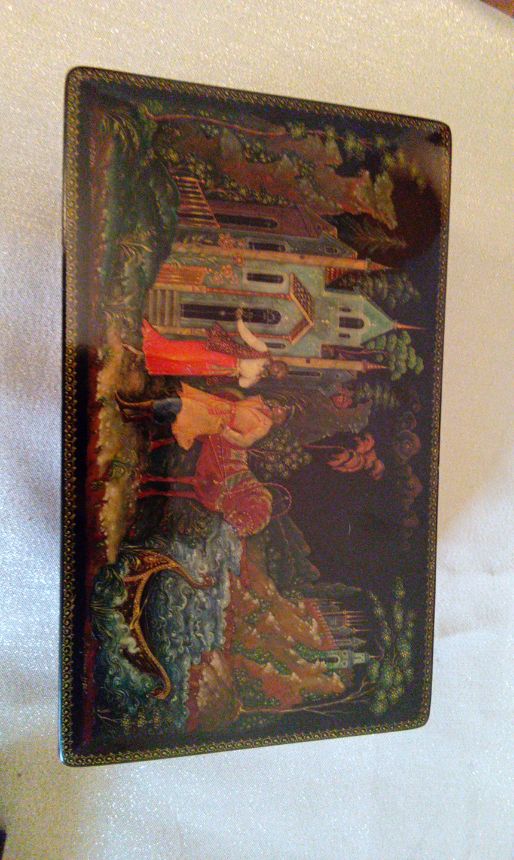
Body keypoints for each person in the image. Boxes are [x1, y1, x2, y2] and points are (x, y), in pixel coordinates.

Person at [133, 309, 288, 389]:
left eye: (277, 375)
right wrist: (239, 320)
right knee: (187, 352)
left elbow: (242, 383)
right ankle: (151, 343)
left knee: (186, 366)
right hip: (223, 354)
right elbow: (248, 337)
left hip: (219, 369)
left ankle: (150, 360)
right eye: (279, 369)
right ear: (278, 362)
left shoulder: (257, 377)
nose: (276, 372)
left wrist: (254, 378)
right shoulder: (263, 351)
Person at [116, 383, 290, 451]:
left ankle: (129, 409)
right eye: (281, 406)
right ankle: (129, 410)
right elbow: (241, 403)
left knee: (174, 408)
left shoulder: (264, 427)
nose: (279, 407)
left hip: (213, 421)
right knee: (173, 407)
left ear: (280, 420)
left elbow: (245, 441)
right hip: (215, 406)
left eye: (282, 410)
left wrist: (227, 431)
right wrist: (260, 406)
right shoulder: (261, 405)